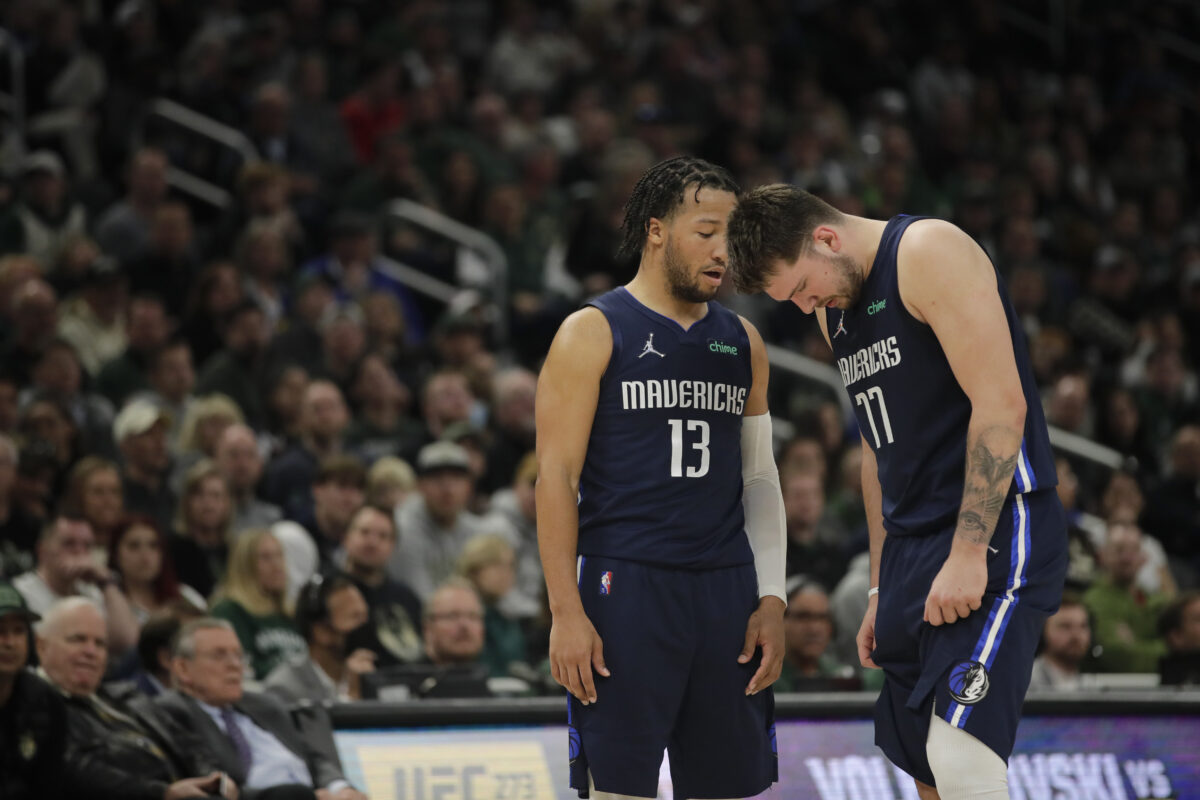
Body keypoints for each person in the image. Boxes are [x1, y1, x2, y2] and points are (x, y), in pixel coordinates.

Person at [726, 185, 1069, 800]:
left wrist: (968, 552)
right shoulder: (835, 309)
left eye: (802, 287)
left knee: (961, 759)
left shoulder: (927, 251)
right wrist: (881, 586)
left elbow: (1001, 404)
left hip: (992, 526)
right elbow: (876, 450)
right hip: (910, 546)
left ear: (826, 238)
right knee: (924, 768)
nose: (806, 306)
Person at [536, 157, 785, 800]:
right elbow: (556, 478)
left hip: (727, 591)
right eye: (706, 232)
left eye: (732, 236)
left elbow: (760, 479)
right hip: (626, 586)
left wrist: (772, 598)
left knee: (729, 789)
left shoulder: (744, 341)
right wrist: (565, 611)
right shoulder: (592, 331)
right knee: (620, 788)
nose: (723, 251)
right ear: (655, 231)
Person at [36, 597, 235, 800]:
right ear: (41, 646)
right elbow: (76, 771)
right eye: (78, 639)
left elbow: (190, 745)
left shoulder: (127, 696)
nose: (91, 651)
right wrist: (162, 793)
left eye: (100, 643)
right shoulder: (35, 704)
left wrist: (216, 779)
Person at [160, 617, 367, 800]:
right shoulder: (173, 715)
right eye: (219, 655)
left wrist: (340, 788)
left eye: (238, 655)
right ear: (182, 668)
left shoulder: (266, 705)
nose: (234, 665)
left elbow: (312, 758)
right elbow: (217, 784)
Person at [0, 581, 71, 800]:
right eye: (0, 631)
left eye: (19, 631)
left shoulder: (46, 700)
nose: (10, 643)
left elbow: (50, 785)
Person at [210, 529, 307, 680]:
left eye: (280, 555)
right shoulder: (230, 610)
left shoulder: (291, 614)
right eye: (266, 558)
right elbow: (243, 667)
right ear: (245, 566)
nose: (277, 565)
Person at [1028, 593, 1092, 691]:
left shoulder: (1091, 685)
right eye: (1065, 626)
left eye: (1083, 626)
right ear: (1043, 631)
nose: (1076, 635)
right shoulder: (1026, 682)